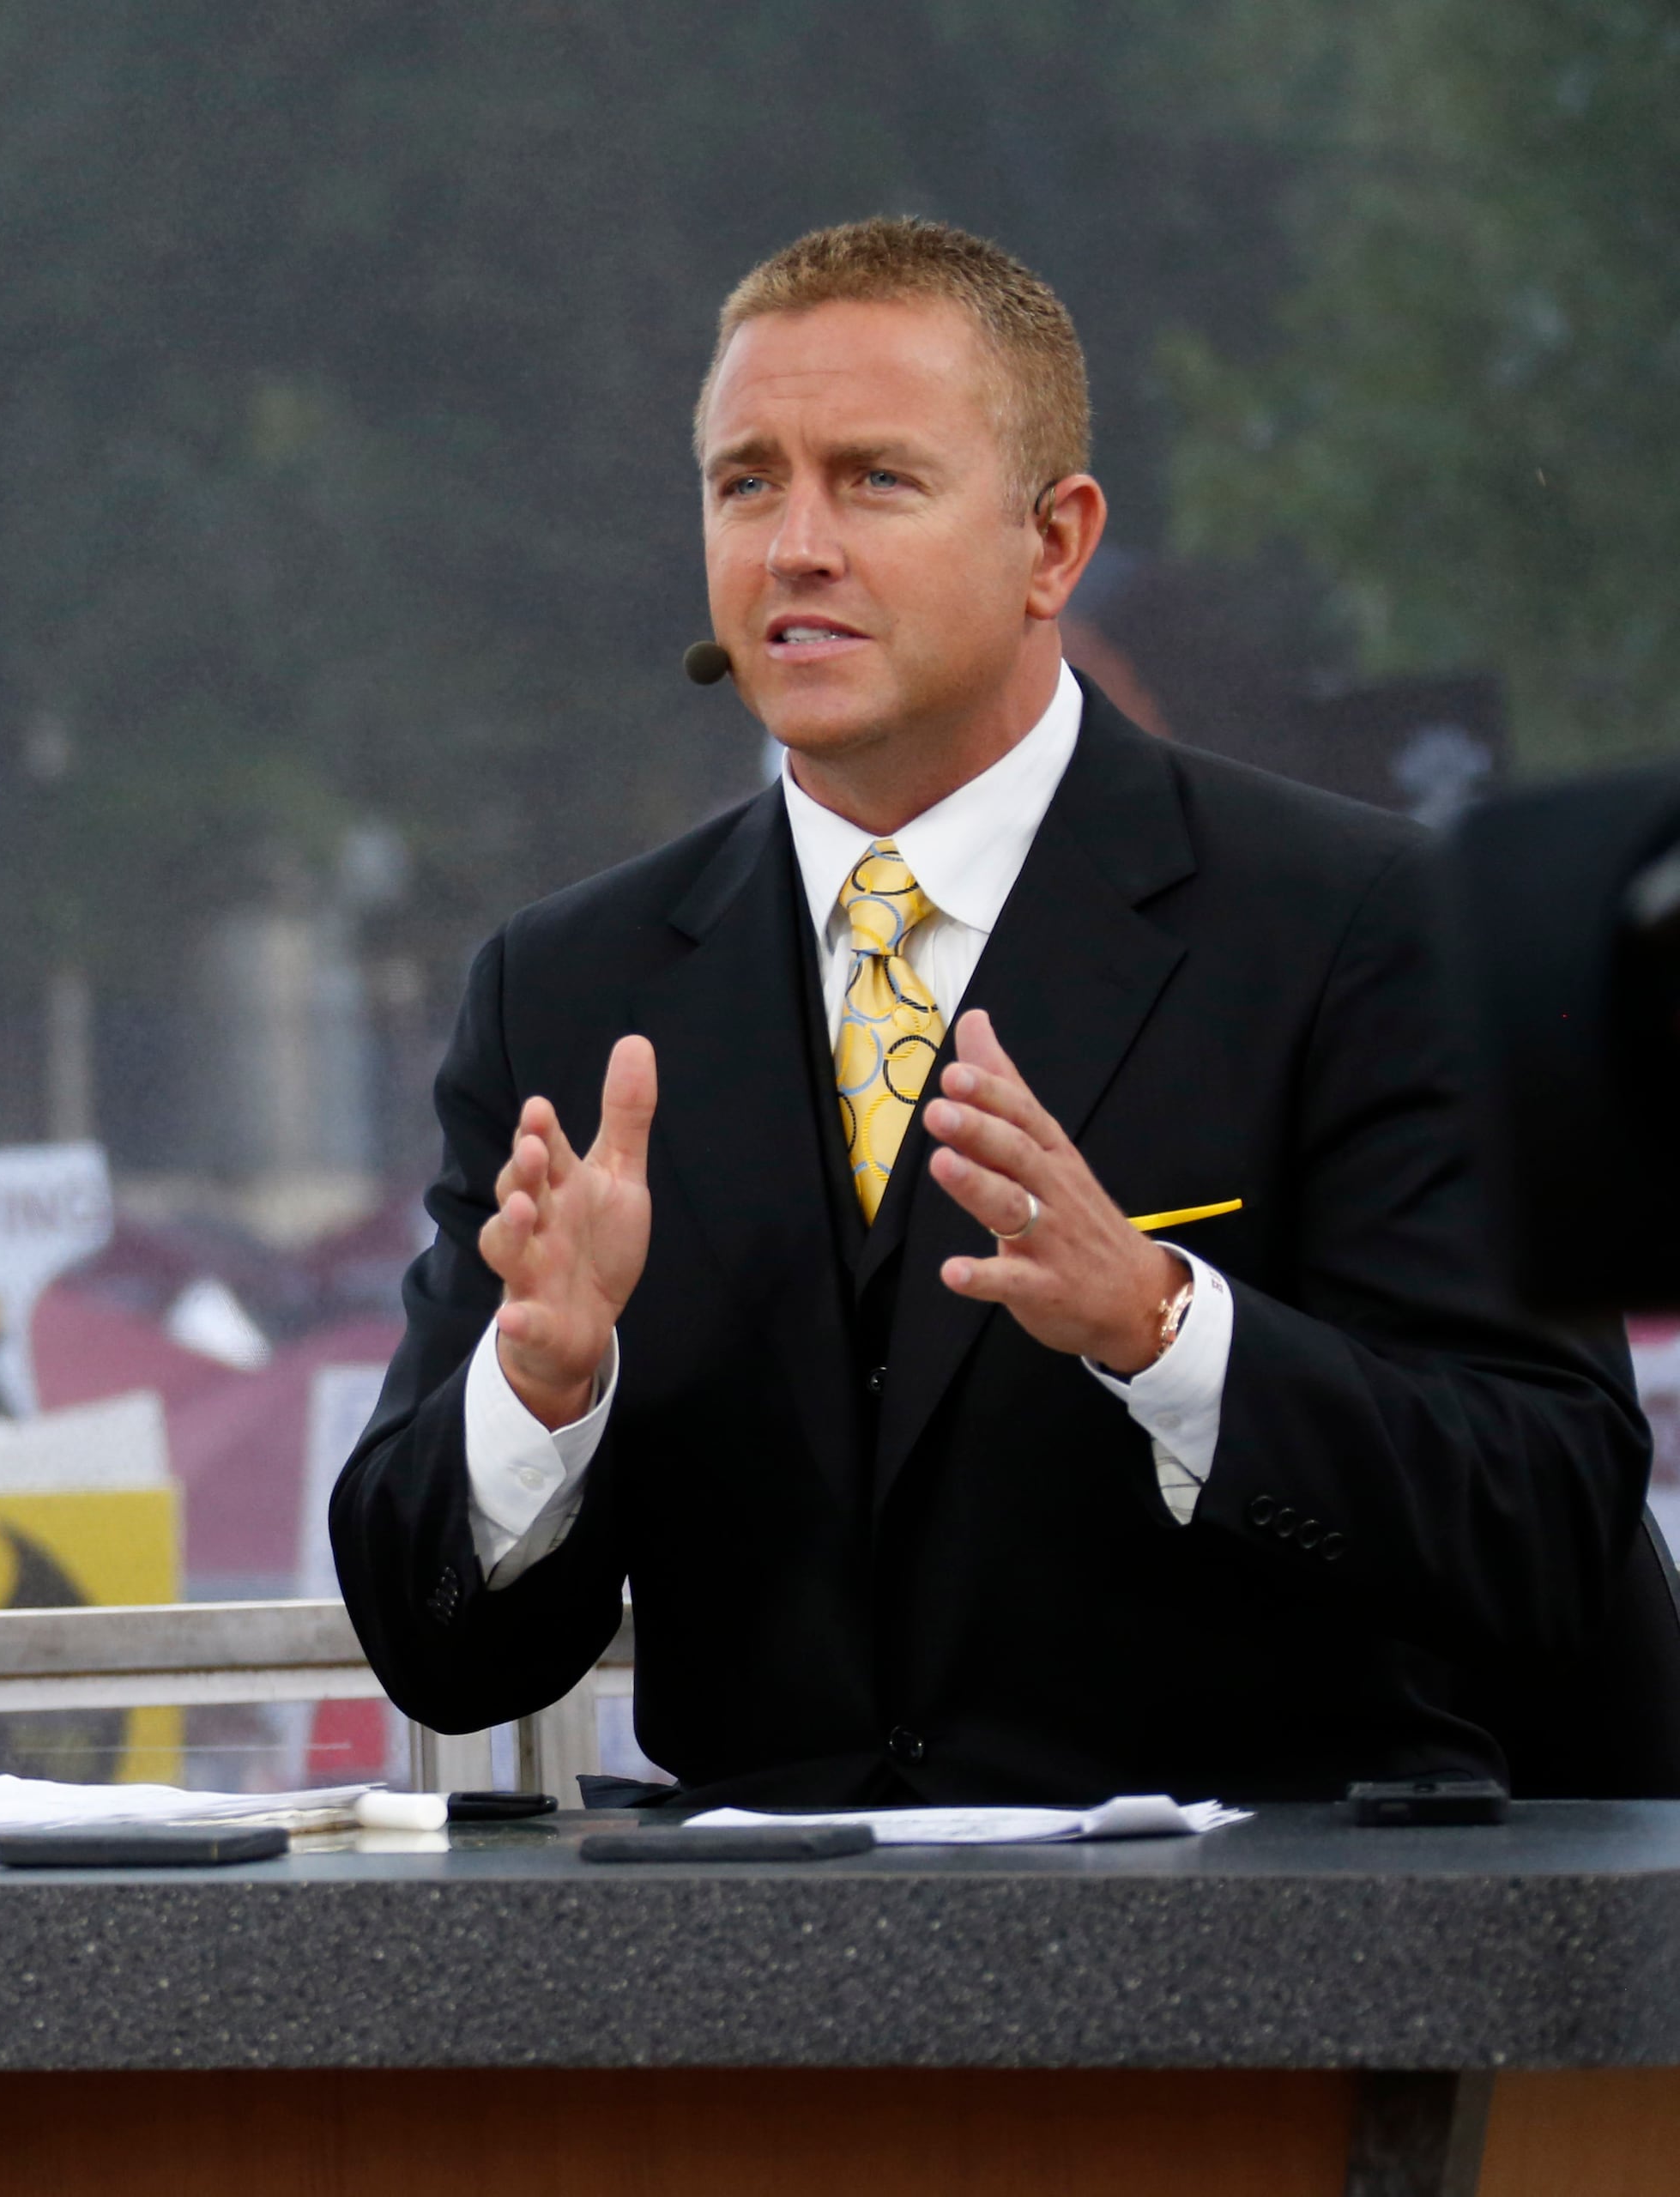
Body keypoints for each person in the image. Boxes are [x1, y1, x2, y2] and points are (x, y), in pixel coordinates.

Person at [329, 218, 1678, 1807]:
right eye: (746, 481)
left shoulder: (1366, 926)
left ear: (1056, 543)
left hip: (1272, 1969)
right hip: (761, 1994)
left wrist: (1167, 1331)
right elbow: (443, 1654)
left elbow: (1545, 1517)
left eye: (876, 479)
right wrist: (538, 1394)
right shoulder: (570, 987)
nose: (795, 546)